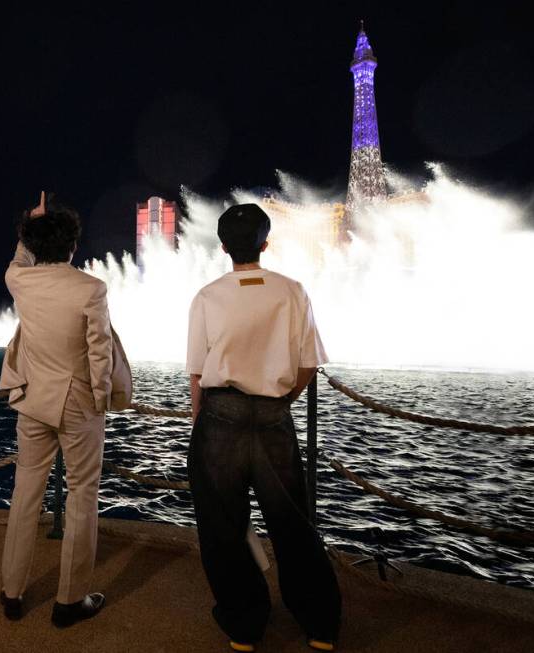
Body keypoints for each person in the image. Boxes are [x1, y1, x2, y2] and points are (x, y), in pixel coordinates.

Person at [186, 204, 341, 652]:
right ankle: (319, 627)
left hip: (220, 421)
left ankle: (244, 626)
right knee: (293, 525)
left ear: (222, 247)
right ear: (265, 243)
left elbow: (197, 373)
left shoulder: (207, 296)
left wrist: (202, 424)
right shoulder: (292, 292)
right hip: (274, 419)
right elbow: (308, 364)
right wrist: (280, 401)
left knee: (222, 528)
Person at [0, 192, 131, 627]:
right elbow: (100, 356)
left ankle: (12, 593)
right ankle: (69, 601)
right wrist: (100, 403)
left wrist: (30, 224)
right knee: (81, 498)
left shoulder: (20, 280)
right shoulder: (91, 288)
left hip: (31, 400)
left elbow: (21, 260)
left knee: (24, 496)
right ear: (73, 246)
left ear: (34, 246)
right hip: (78, 406)